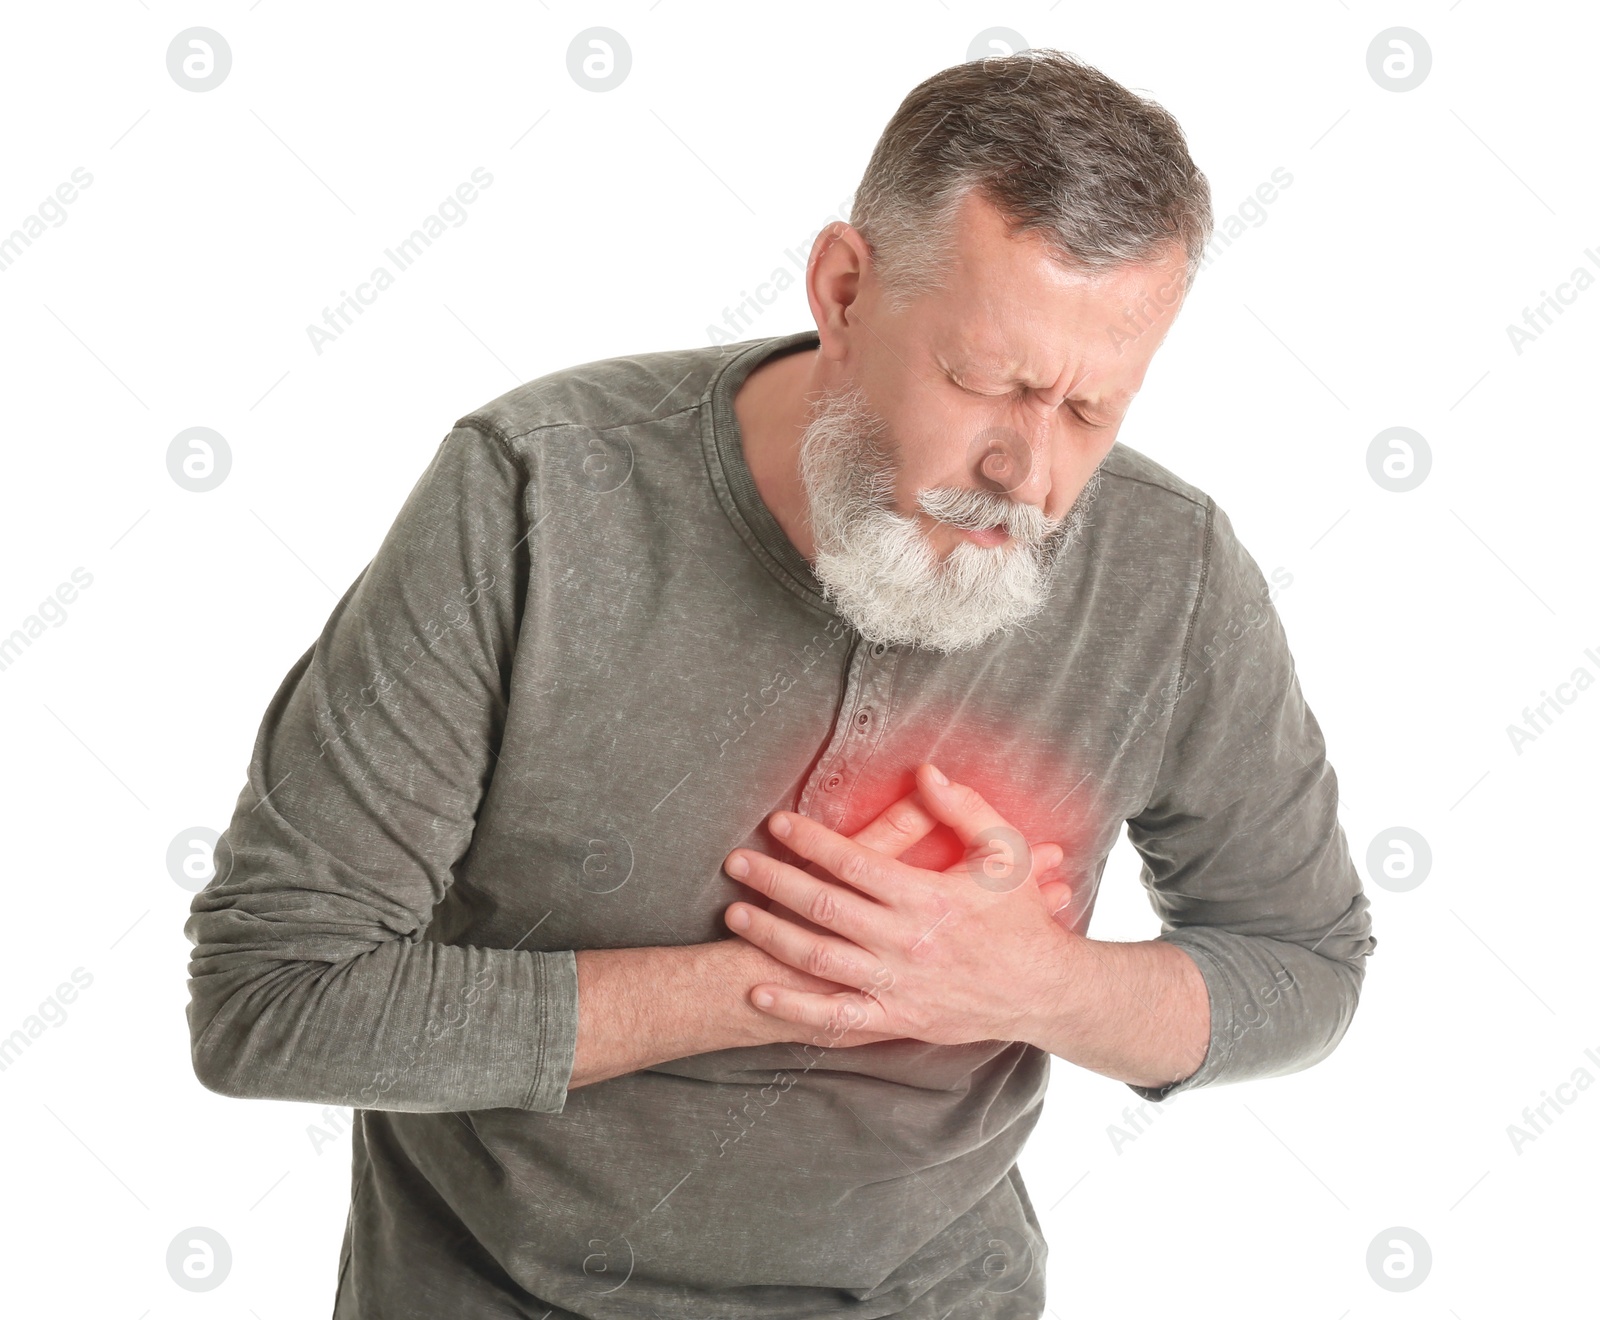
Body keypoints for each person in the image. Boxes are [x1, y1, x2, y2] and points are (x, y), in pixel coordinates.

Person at [185, 48, 1376, 1320]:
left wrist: (1029, 982)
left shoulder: (1172, 571)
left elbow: (1306, 968)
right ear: (845, 291)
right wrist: (790, 983)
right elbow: (275, 1000)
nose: (1026, 474)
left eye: (1091, 411)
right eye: (988, 381)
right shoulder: (535, 488)